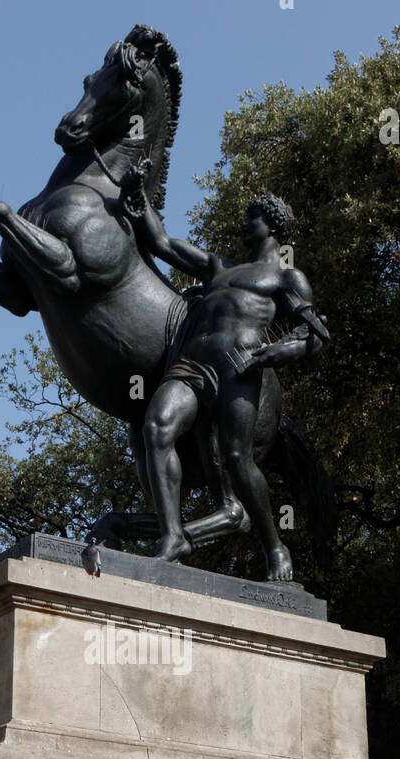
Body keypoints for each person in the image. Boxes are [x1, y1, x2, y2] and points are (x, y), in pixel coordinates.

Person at [123, 172, 328, 577]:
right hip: (193, 365)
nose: (245, 222)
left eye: (253, 216)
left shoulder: (286, 278)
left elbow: (313, 337)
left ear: (271, 224)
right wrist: (137, 195)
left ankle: (274, 546)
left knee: (236, 458)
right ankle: (172, 536)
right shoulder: (219, 266)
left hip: (240, 369)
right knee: (156, 428)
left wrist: (269, 355)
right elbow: (163, 243)